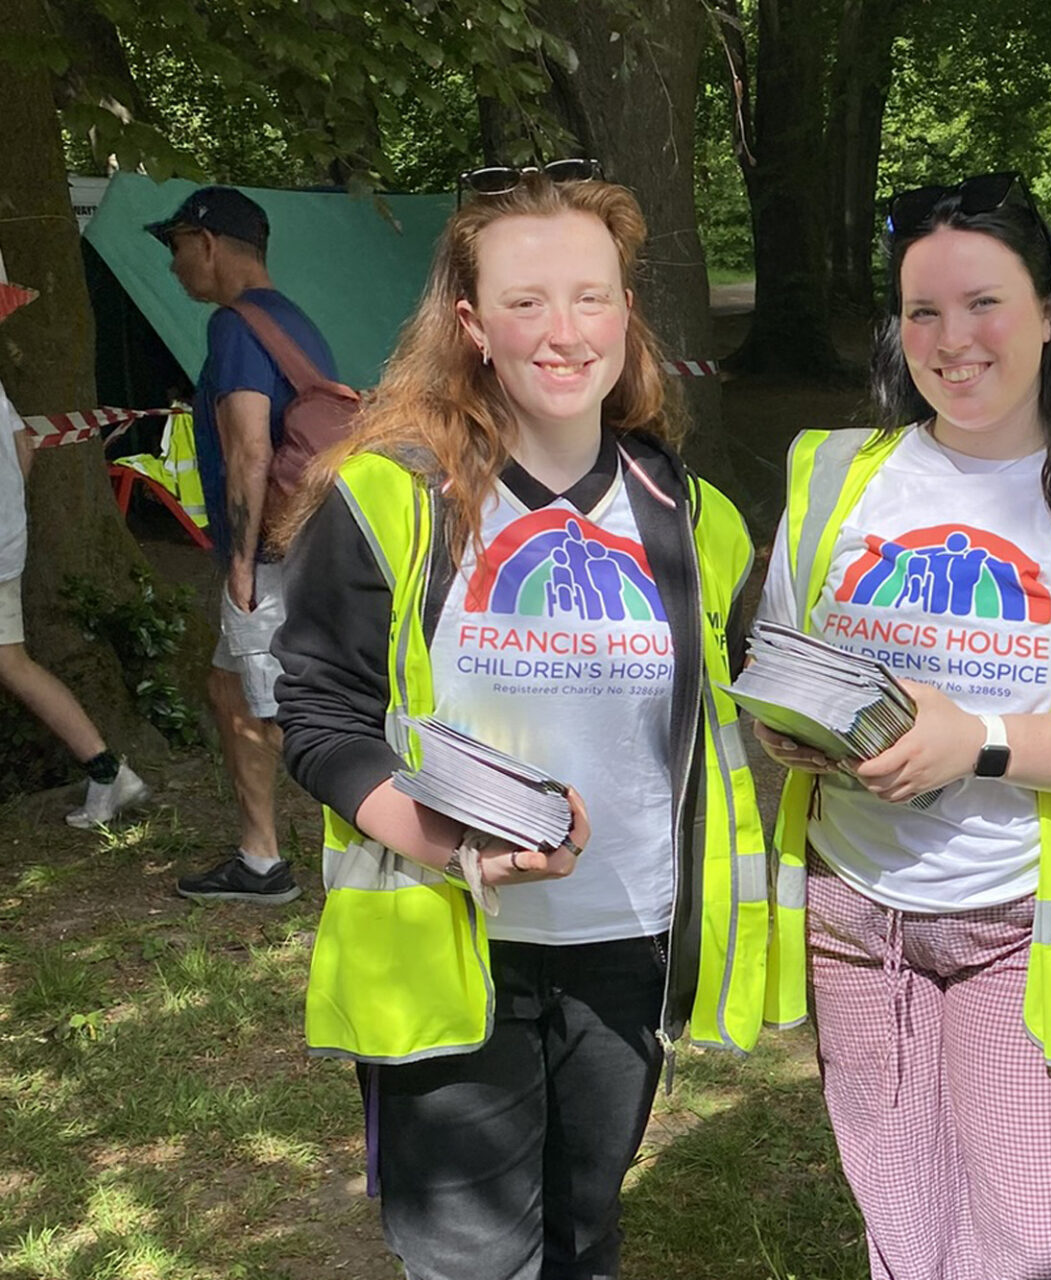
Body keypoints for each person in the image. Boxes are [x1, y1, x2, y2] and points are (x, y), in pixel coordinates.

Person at [271, 166, 772, 1279]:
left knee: (583, 1233)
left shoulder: (691, 514)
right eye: (526, 301)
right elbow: (315, 713)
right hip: (450, 939)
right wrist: (449, 840)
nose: (563, 331)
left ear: (627, 314)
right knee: (471, 1260)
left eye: (591, 297)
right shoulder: (384, 497)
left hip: (626, 939)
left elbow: (725, 709)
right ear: (471, 324)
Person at [754, 171, 1051, 1279]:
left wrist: (983, 740)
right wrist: (792, 731)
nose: (952, 340)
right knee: (905, 1232)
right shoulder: (830, 477)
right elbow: (783, 658)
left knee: (1041, 1237)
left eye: (985, 303)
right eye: (923, 311)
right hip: (854, 917)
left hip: (1027, 924)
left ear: (1049, 310)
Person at [147, 185, 337, 904]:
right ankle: (261, 860)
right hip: (302, 542)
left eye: (175, 248)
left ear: (207, 243)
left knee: (272, 709)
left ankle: (389, 832)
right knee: (230, 689)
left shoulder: (236, 328)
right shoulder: (290, 322)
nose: (172, 267)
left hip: (269, 555)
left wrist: (239, 560)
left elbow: (251, 451)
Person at [1, 379, 147, 825]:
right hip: (6, 543)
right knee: (11, 663)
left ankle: (108, 772)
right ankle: (106, 771)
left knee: (12, 663)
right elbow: (24, 446)